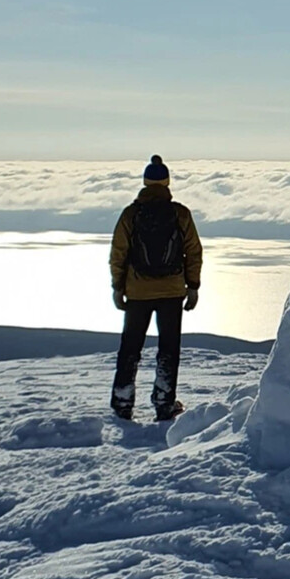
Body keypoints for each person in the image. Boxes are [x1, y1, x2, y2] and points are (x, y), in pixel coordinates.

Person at [109, 156, 203, 422]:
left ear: (145, 182)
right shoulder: (180, 214)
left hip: (137, 291)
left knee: (131, 347)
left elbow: (119, 253)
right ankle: (164, 403)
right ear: (167, 182)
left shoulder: (131, 214)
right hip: (172, 291)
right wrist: (193, 286)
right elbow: (193, 252)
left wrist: (118, 287)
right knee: (169, 348)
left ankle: (122, 402)